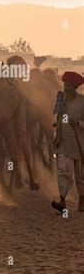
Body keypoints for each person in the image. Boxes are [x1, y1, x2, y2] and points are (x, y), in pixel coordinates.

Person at [52, 71, 84, 213]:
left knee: (80, 176)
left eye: (69, 86)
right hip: (63, 141)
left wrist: (78, 123)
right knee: (62, 171)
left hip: (80, 143)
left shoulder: (82, 101)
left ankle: (82, 202)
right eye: (65, 85)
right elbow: (57, 118)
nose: (66, 88)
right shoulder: (60, 98)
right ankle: (62, 201)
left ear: (75, 87)